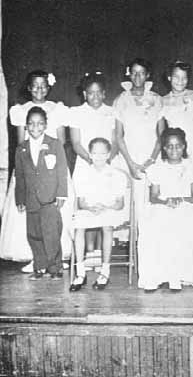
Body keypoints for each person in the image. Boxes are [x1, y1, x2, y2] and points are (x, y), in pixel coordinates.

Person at [0, 70, 72, 273]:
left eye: (43, 85)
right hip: (30, 172)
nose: (39, 89)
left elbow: (62, 140)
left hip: (51, 172)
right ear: (29, 88)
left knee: (54, 221)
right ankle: (36, 260)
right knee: (32, 225)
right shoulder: (21, 110)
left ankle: (55, 259)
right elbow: (22, 141)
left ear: (48, 88)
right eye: (35, 85)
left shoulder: (57, 109)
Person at [140, 128, 193, 292]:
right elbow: (153, 197)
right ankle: (155, 276)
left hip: (185, 206)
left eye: (178, 146)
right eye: (169, 146)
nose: (174, 150)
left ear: (184, 147)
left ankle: (175, 275)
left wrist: (180, 199)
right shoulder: (157, 168)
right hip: (163, 205)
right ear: (164, 148)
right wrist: (165, 202)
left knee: (180, 223)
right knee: (155, 224)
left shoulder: (192, 167)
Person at [70, 71, 119, 263]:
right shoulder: (77, 113)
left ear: (105, 93)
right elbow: (76, 143)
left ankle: (100, 251)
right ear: (84, 94)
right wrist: (92, 163)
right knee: (88, 208)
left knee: (104, 206)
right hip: (86, 166)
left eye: (99, 93)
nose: (95, 96)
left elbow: (115, 141)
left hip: (106, 166)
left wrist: (105, 163)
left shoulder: (111, 112)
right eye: (91, 93)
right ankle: (89, 250)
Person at [15, 107, 68, 280]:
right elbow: (20, 176)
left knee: (51, 233)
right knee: (34, 234)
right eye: (31, 123)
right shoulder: (21, 148)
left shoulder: (54, 144)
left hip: (50, 198)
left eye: (39, 123)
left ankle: (55, 267)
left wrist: (61, 194)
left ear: (45, 125)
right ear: (26, 126)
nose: (35, 127)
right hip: (31, 199)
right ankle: (40, 266)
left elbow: (61, 171)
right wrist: (20, 198)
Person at [69, 138, 127, 292]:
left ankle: (105, 271)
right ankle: (80, 273)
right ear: (90, 154)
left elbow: (120, 203)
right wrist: (90, 207)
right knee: (79, 226)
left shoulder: (116, 174)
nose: (99, 157)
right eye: (95, 153)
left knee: (107, 227)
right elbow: (81, 202)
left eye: (102, 153)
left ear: (108, 154)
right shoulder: (82, 174)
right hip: (89, 210)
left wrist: (106, 207)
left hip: (109, 210)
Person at [113, 58, 163, 227]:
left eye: (142, 73)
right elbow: (118, 136)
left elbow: (161, 135)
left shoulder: (157, 99)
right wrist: (130, 163)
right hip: (129, 158)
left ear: (147, 75)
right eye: (134, 73)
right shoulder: (121, 99)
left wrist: (151, 160)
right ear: (129, 74)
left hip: (152, 158)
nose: (137, 76)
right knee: (133, 208)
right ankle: (134, 249)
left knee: (152, 206)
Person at [159, 61, 193, 181]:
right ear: (169, 78)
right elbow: (162, 133)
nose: (180, 81)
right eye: (176, 77)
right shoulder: (162, 101)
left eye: (184, 77)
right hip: (176, 150)